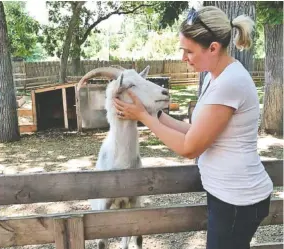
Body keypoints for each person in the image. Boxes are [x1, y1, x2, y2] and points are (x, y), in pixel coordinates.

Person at [113, 6, 273, 249]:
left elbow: (189, 148)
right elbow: (196, 131)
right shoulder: (214, 76)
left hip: (238, 199)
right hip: (229, 195)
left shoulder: (230, 83)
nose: (182, 58)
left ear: (213, 48)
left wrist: (146, 119)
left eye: (188, 51)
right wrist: (153, 114)